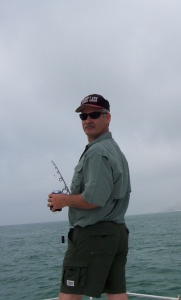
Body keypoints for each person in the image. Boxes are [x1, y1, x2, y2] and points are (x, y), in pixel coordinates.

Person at [48, 94, 131, 300]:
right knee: (116, 293)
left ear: (108, 117)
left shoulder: (97, 152)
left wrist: (63, 200)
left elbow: (94, 199)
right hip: (116, 234)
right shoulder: (115, 150)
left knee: (69, 296)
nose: (88, 120)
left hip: (93, 235)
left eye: (94, 114)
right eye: (83, 117)